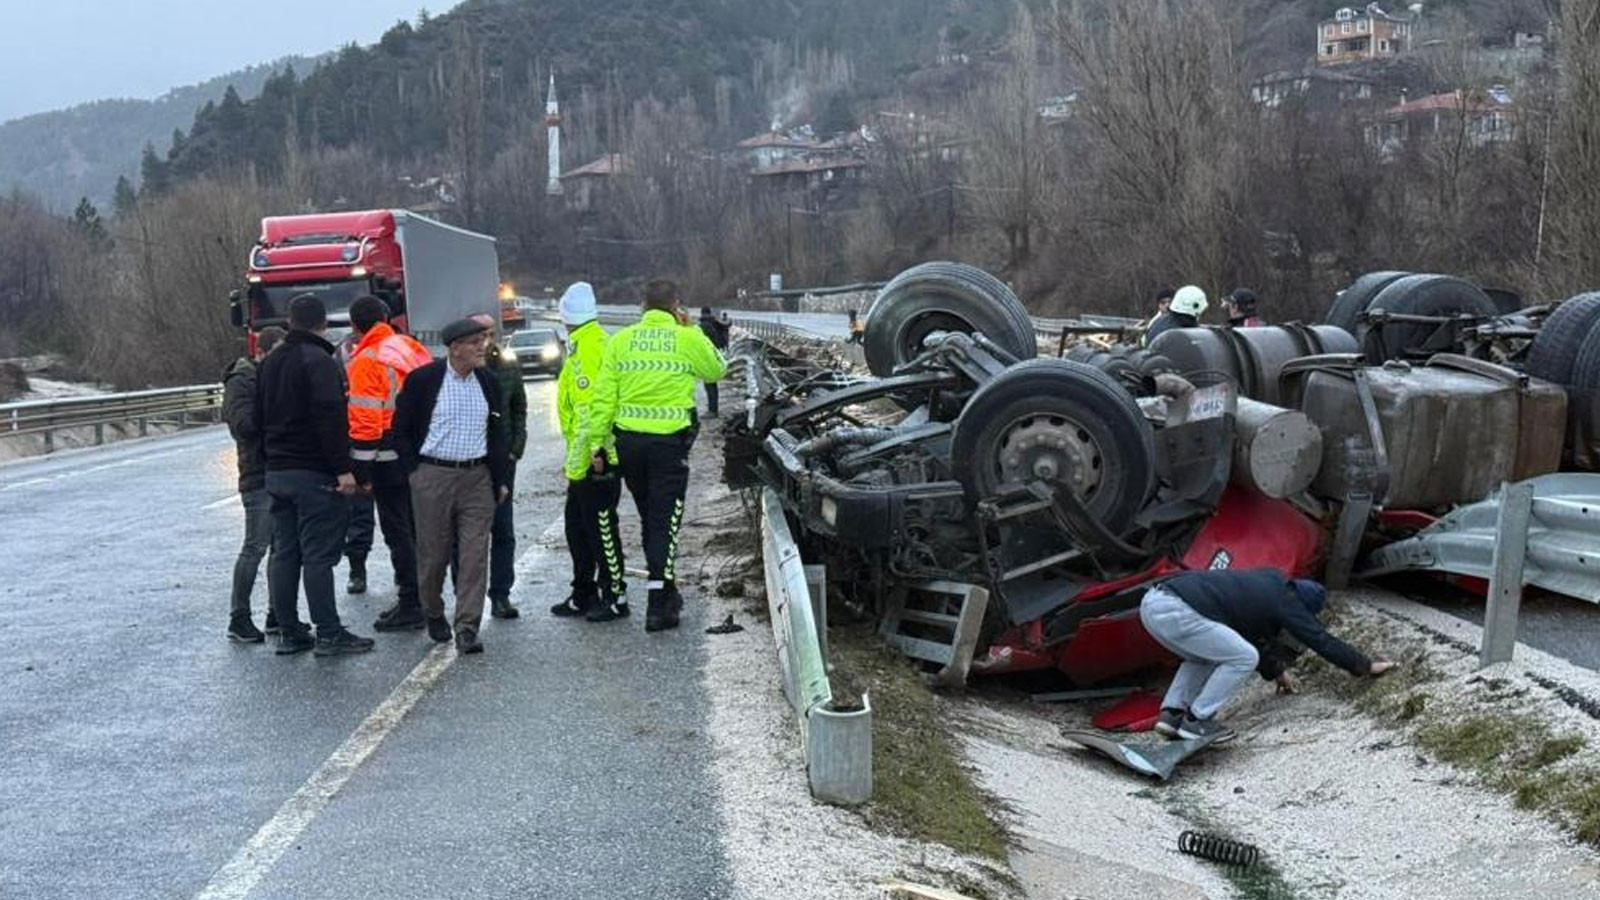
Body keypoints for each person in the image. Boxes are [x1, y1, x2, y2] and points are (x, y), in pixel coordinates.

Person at [584, 279, 727, 632]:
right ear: (677, 305)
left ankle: (668, 592)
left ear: (642, 306)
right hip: (668, 447)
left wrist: (596, 445)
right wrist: (691, 329)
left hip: (629, 446)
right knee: (665, 523)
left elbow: (603, 398)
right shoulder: (685, 337)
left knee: (652, 519)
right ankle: (657, 605)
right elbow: (716, 370)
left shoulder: (621, 341)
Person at [1139, 569, 1395, 741]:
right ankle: (1198, 720)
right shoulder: (1287, 601)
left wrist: (1277, 672)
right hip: (1178, 609)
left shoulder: (1267, 583)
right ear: (1302, 605)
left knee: (1206, 655)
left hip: (1152, 604)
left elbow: (1241, 639)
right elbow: (1319, 638)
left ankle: (1171, 715)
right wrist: (1364, 665)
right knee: (1244, 658)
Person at [256, 294, 374, 656]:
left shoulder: (270, 361)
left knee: (285, 552)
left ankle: (289, 631)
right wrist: (344, 469)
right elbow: (329, 418)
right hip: (314, 471)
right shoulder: (319, 361)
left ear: (290, 322)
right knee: (319, 555)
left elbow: (259, 418)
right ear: (323, 323)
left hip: (277, 470)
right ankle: (329, 631)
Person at [393, 316, 512, 655]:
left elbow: (497, 433)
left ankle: (467, 627)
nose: (483, 347)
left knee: (475, 555)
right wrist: (413, 472)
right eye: (475, 342)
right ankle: (432, 611)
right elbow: (399, 429)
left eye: (485, 340)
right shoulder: (424, 380)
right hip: (433, 476)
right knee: (434, 556)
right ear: (455, 347)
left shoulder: (488, 382)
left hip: (477, 477)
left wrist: (499, 477)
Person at [342, 296, 433, 632]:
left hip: (387, 460)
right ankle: (425, 596)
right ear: (385, 317)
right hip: (420, 454)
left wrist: (361, 473)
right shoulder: (410, 347)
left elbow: (366, 422)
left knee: (398, 532)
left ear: (354, 326)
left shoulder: (366, 360)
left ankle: (412, 602)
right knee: (417, 529)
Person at [551, 282, 629, 622]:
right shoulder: (581, 345)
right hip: (581, 459)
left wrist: (598, 450)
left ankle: (615, 596)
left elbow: (600, 404)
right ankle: (584, 591)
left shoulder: (595, 347)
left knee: (601, 529)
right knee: (577, 528)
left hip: (597, 457)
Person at [221, 326, 285, 643]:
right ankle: (239, 617)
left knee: (281, 548)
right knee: (255, 547)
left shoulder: (264, 377)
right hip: (257, 473)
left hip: (277, 469)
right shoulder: (242, 380)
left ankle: (277, 613)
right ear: (262, 352)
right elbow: (243, 425)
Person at [475, 313, 528, 619]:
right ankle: (466, 595)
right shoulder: (460, 370)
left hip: (503, 459)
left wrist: (516, 448)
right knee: (467, 533)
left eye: (492, 334)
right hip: (471, 462)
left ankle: (501, 594)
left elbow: (519, 407)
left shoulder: (507, 367)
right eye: (482, 334)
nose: (487, 341)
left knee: (503, 529)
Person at [698, 306, 730, 418]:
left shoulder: (704, 326)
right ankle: (712, 408)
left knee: (709, 384)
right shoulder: (714, 323)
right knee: (711, 383)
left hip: (708, 357)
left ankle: (712, 410)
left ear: (702, 313)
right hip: (715, 355)